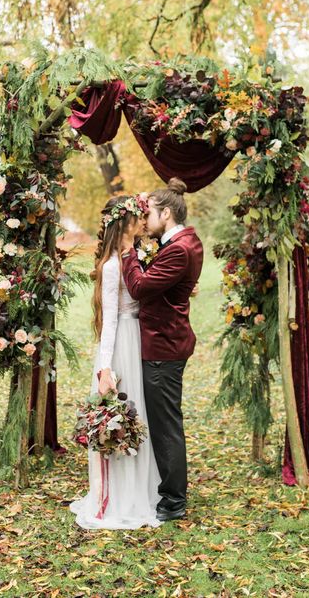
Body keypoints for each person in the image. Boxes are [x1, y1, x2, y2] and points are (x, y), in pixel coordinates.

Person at [69, 194, 161, 530]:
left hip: (140, 341)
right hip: (121, 342)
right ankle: (117, 496)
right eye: (137, 216)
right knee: (121, 414)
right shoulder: (111, 266)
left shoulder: (137, 256)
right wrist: (104, 370)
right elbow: (110, 320)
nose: (142, 221)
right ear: (124, 222)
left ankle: (142, 490)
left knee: (141, 417)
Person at [119, 177, 204, 522]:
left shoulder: (180, 249)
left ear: (166, 213)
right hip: (165, 340)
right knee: (165, 420)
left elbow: (139, 286)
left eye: (150, 213)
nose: (145, 221)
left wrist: (128, 254)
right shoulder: (181, 243)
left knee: (165, 423)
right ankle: (169, 491)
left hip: (163, 346)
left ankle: (173, 500)